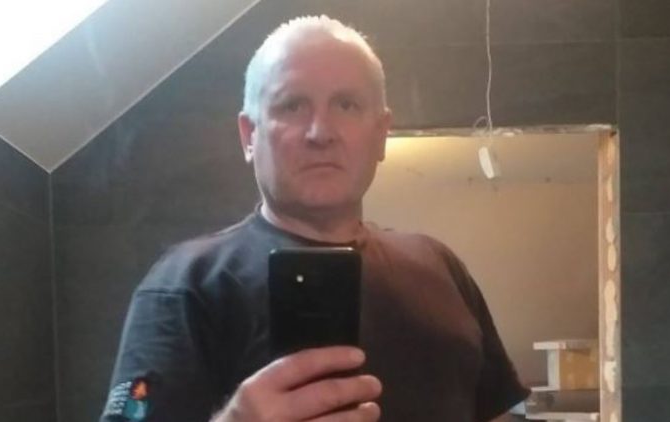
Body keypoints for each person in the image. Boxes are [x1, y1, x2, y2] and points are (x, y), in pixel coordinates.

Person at [101, 15, 529, 422]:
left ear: (381, 133)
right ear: (250, 135)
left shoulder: (439, 266)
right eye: (292, 105)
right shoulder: (187, 285)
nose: (320, 132)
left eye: (346, 104)